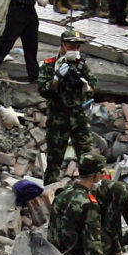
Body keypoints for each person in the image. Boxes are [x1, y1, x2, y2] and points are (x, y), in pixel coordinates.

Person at [48, 155, 112, 255]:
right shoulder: (89, 204)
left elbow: (51, 229)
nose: (103, 176)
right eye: (102, 173)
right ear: (95, 175)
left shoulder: (62, 195)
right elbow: (92, 245)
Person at [38, 29, 93, 180]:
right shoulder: (49, 65)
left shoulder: (81, 66)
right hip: (58, 117)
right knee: (54, 160)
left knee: (87, 157)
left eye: (77, 47)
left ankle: (89, 188)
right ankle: (50, 191)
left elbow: (93, 86)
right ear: (62, 45)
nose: (74, 50)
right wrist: (56, 79)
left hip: (78, 116)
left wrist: (85, 86)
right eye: (71, 46)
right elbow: (43, 89)